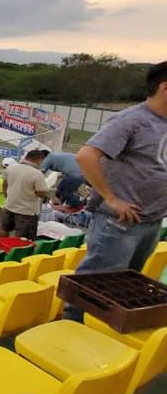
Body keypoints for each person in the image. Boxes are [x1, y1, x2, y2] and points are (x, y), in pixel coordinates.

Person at [67, 62, 167, 320]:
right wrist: (112, 199)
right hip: (119, 223)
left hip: (152, 221)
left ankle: (102, 332)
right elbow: (86, 155)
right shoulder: (132, 120)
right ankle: (71, 330)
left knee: (124, 285)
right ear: (165, 88)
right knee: (95, 286)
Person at [3, 151, 50, 240]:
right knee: (23, 238)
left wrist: (7, 196)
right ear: (39, 160)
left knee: (4, 229)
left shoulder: (10, 168)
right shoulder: (37, 174)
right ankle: (17, 253)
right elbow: (42, 193)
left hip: (9, 205)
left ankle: (1, 249)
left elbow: (4, 184)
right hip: (27, 211)